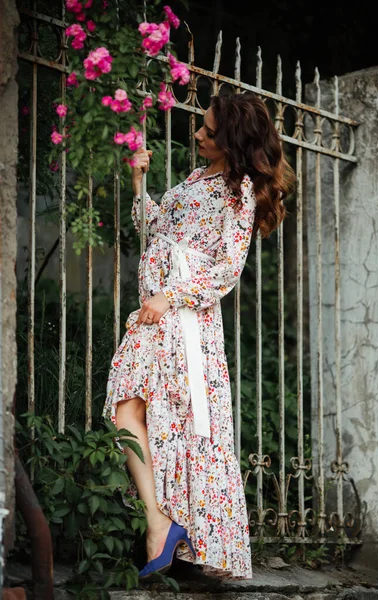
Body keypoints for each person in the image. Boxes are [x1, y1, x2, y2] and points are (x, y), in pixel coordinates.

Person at [103, 92, 295, 580]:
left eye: (209, 132)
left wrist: (170, 297)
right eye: (201, 127)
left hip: (183, 318)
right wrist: (138, 178)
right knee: (126, 407)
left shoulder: (240, 193)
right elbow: (157, 230)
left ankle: (178, 540)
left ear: (231, 140)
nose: (198, 135)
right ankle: (161, 522)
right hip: (155, 312)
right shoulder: (194, 179)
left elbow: (229, 268)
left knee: (174, 420)